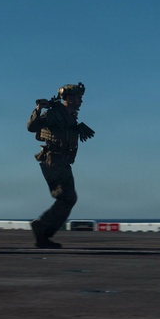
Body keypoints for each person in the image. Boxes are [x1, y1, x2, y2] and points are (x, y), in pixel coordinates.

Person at [26, 82, 95, 248]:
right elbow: (31, 127)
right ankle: (42, 228)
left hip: (62, 162)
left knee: (68, 198)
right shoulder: (55, 114)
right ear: (69, 98)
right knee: (67, 197)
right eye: (78, 97)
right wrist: (38, 109)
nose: (81, 100)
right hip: (53, 160)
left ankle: (43, 233)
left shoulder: (70, 117)